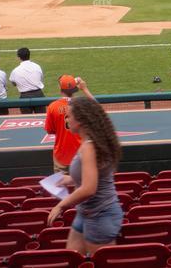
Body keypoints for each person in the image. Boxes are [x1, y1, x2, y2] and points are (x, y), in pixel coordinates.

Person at [47, 87, 124, 256]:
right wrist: (70, 179)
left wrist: (61, 205)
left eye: (69, 116)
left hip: (100, 217)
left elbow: (89, 188)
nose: (66, 119)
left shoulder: (89, 147)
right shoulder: (94, 140)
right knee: (72, 258)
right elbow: (94, 176)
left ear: (80, 121)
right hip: (86, 213)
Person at [44, 75, 83, 174]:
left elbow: (49, 130)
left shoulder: (53, 107)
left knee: (60, 186)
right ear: (75, 89)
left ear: (60, 88)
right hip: (81, 153)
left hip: (61, 154)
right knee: (80, 185)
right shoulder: (83, 105)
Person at [9, 47, 46, 115]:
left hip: (24, 97)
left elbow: (13, 83)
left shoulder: (15, 71)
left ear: (19, 57)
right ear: (29, 55)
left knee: (27, 118)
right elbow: (40, 79)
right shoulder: (37, 66)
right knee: (42, 118)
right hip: (39, 95)